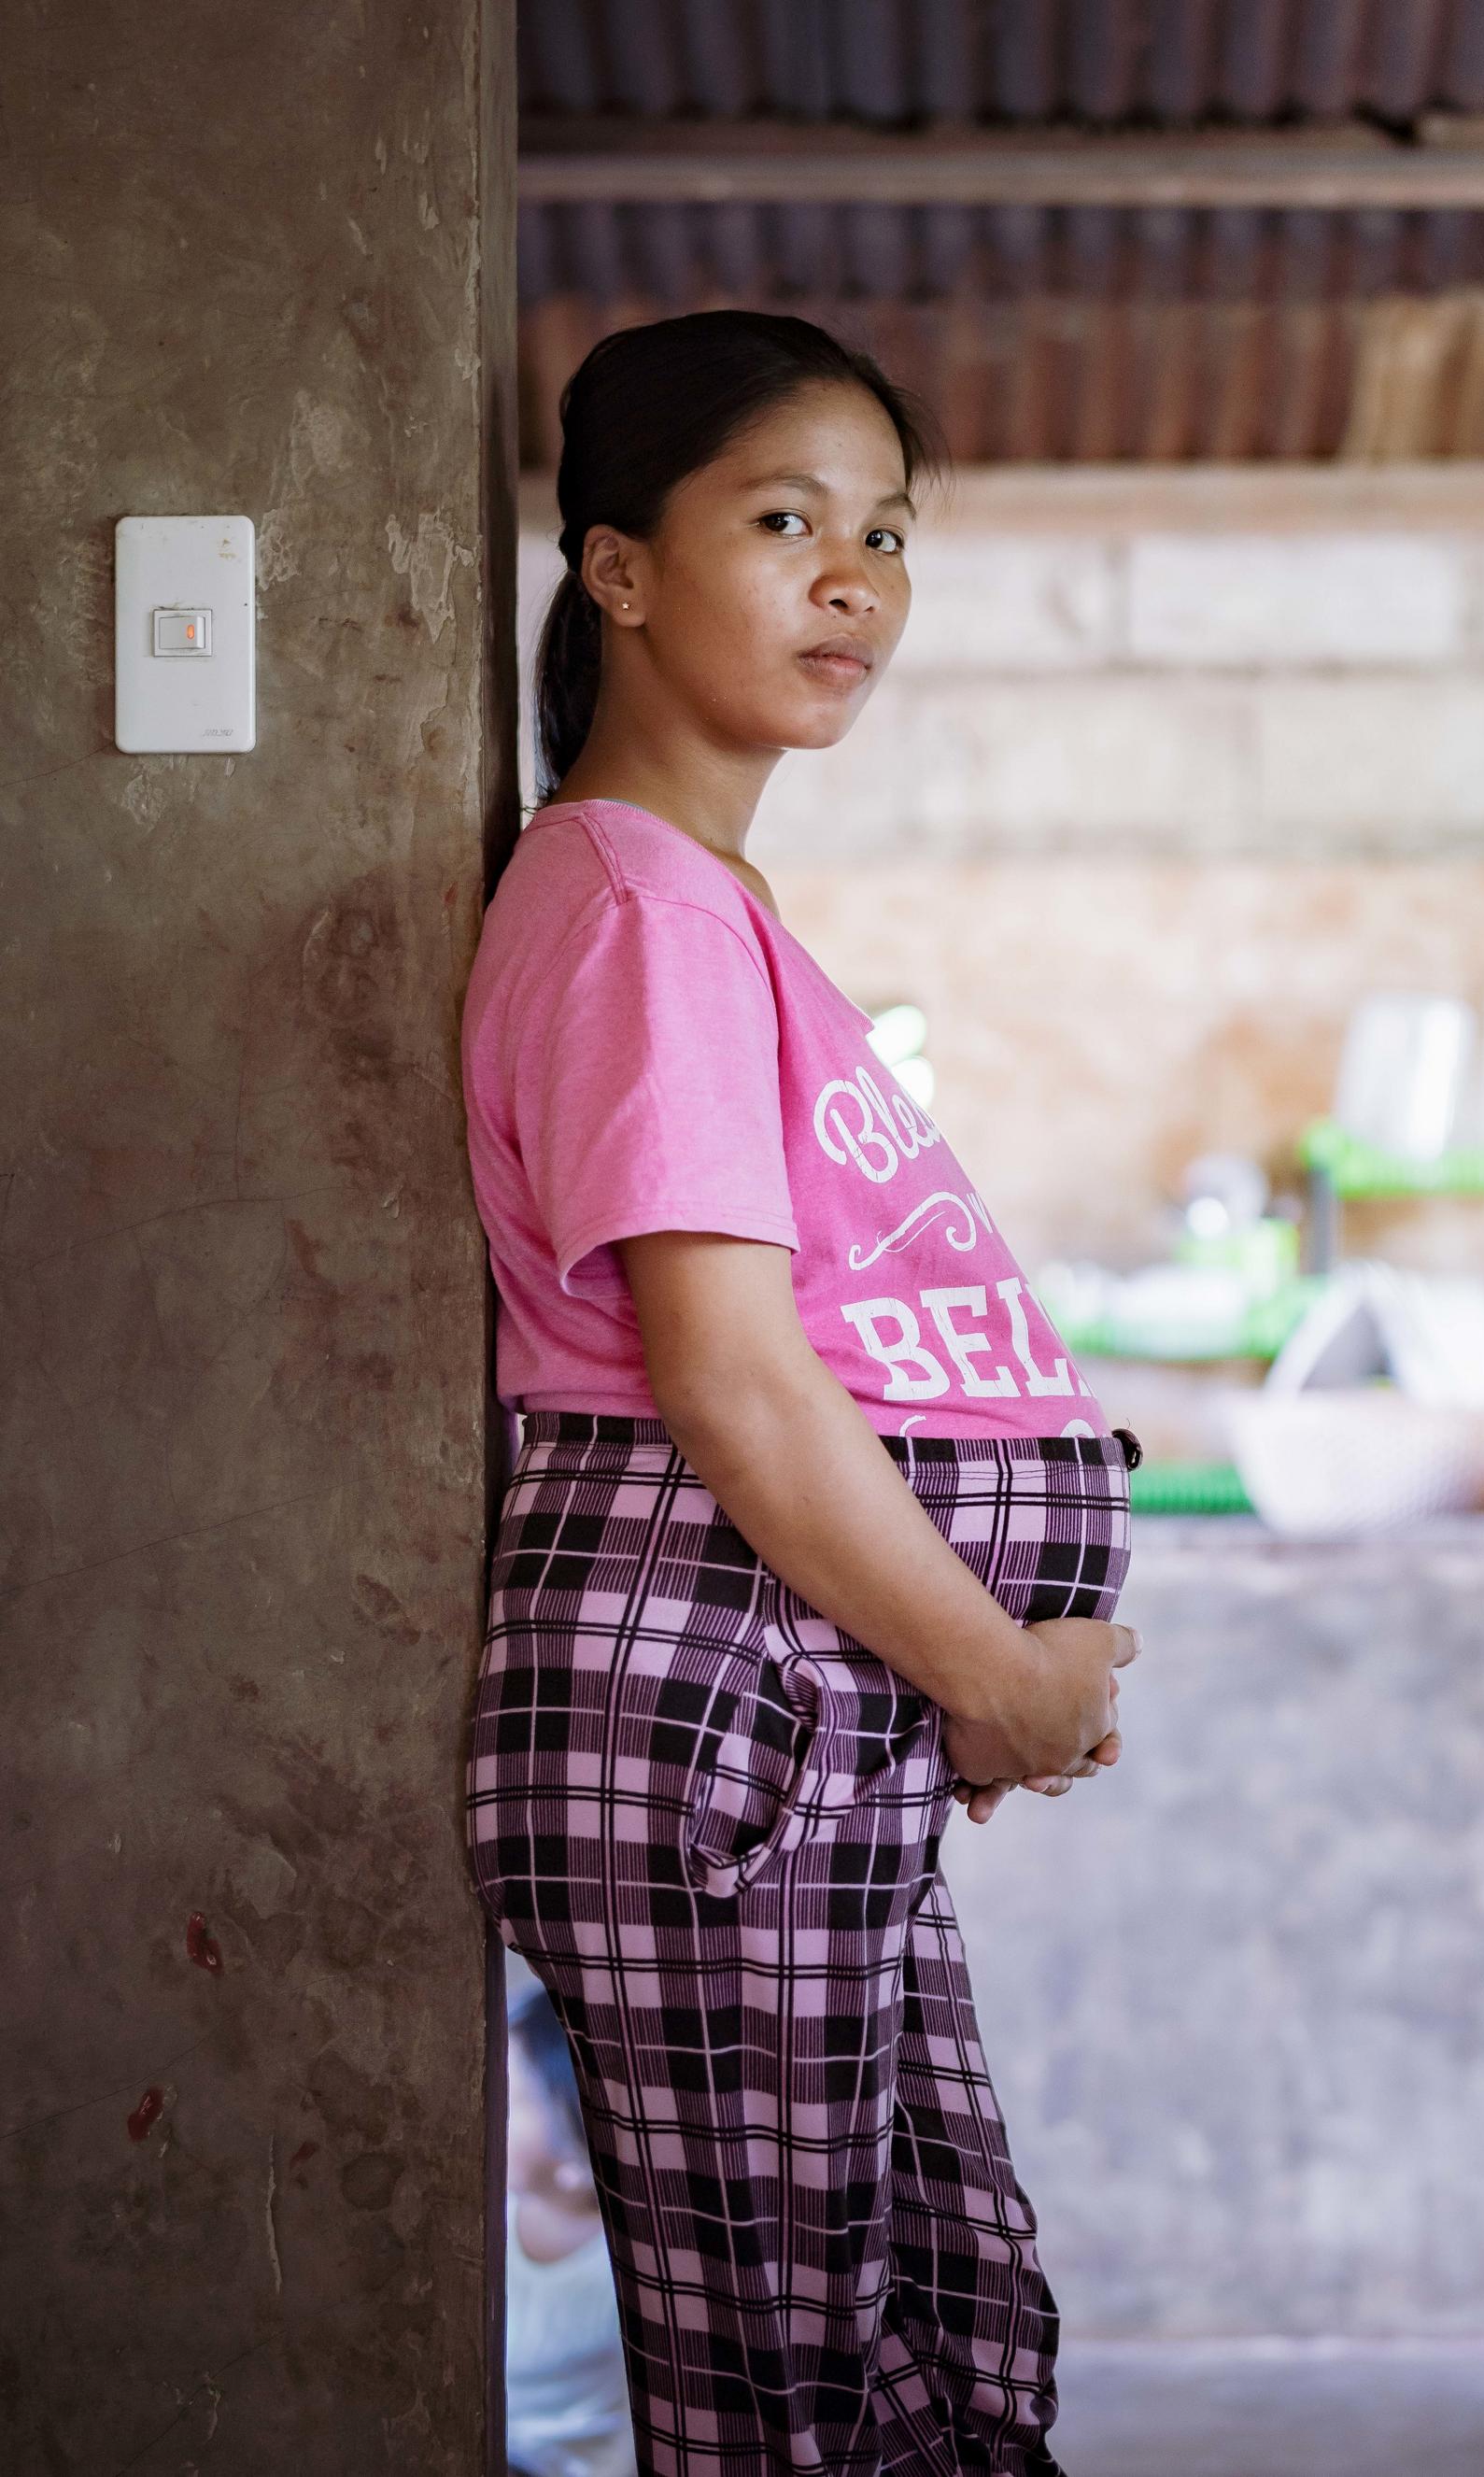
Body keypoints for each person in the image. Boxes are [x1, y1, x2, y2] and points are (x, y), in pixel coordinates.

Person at [459, 309, 1141, 2477]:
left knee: (910, 2313)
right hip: (730, 1675)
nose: (854, 578)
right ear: (622, 568)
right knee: (800, 2377)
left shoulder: (694, 900)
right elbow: (731, 1383)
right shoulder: (638, 907)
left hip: (780, 1686)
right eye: (783, 519)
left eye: (884, 531)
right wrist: (990, 1669)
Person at [504, 1956, 637, 2477]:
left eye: (511, 2101)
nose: (483, 2107)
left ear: (580, 2162)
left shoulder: (621, 2276)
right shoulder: (493, 2205)